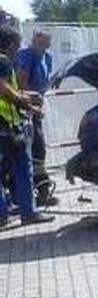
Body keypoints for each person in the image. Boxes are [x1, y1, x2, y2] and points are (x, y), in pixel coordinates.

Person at [0, 27, 52, 226]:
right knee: (23, 168)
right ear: (10, 44)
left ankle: (2, 215)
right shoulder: (3, 61)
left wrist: (28, 102)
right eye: (17, 44)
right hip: (8, 126)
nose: (19, 49)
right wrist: (26, 102)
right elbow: (4, 89)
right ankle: (28, 212)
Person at [15, 30, 55, 206]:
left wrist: (39, 102)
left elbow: (44, 83)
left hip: (36, 108)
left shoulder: (47, 57)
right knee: (33, 148)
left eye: (44, 43)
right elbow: (21, 85)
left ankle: (41, 190)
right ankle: (32, 193)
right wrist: (31, 106)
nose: (39, 46)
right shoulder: (25, 56)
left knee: (38, 149)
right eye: (37, 42)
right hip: (23, 108)